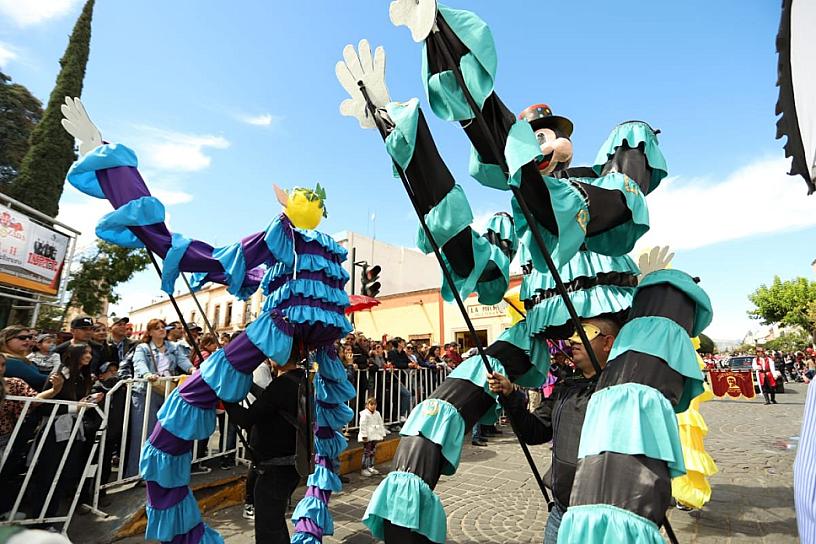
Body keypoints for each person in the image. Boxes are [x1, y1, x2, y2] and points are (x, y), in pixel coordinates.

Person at [487, 317, 620, 544]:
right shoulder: (566, 387)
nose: (572, 340)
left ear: (607, 343)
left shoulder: (625, 390)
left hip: (603, 518)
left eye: (584, 333)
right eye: (573, 334)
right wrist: (510, 395)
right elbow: (534, 431)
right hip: (561, 512)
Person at [223, 357, 305, 544]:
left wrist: (223, 397)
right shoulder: (301, 378)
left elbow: (246, 419)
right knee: (275, 524)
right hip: (291, 464)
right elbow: (273, 402)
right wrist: (249, 386)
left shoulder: (282, 384)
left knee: (268, 530)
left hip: (275, 468)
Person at [125, 318, 195, 477]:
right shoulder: (142, 348)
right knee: (143, 433)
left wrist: (192, 370)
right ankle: (136, 473)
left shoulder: (173, 347)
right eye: (157, 328)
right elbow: (139, 363)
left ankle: (157, 472)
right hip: (145, 391)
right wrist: (147, 374)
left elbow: (183, 361)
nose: (162, 330)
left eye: (163, 327)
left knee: (165, 433)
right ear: (150, 332)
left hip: (166, 391)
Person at [0, 326, 47, 391]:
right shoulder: (6, 360)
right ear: (6, 340)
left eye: (29, 337)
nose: (27, 340)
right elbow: (39, 379)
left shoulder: (22, 359)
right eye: (22, 337)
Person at [358, 397, 387, 477]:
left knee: (373, 451)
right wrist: (364, 435)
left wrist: (382, 434)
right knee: (367, 452)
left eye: (375, 404)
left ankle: (371, 466)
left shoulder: (377, 413)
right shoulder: (364, 414)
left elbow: (380, 424)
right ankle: (364, 468)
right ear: (367, 405)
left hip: (375, 435)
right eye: (371, 404)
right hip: (367, 436)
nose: (373, 406)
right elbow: (362, 425)